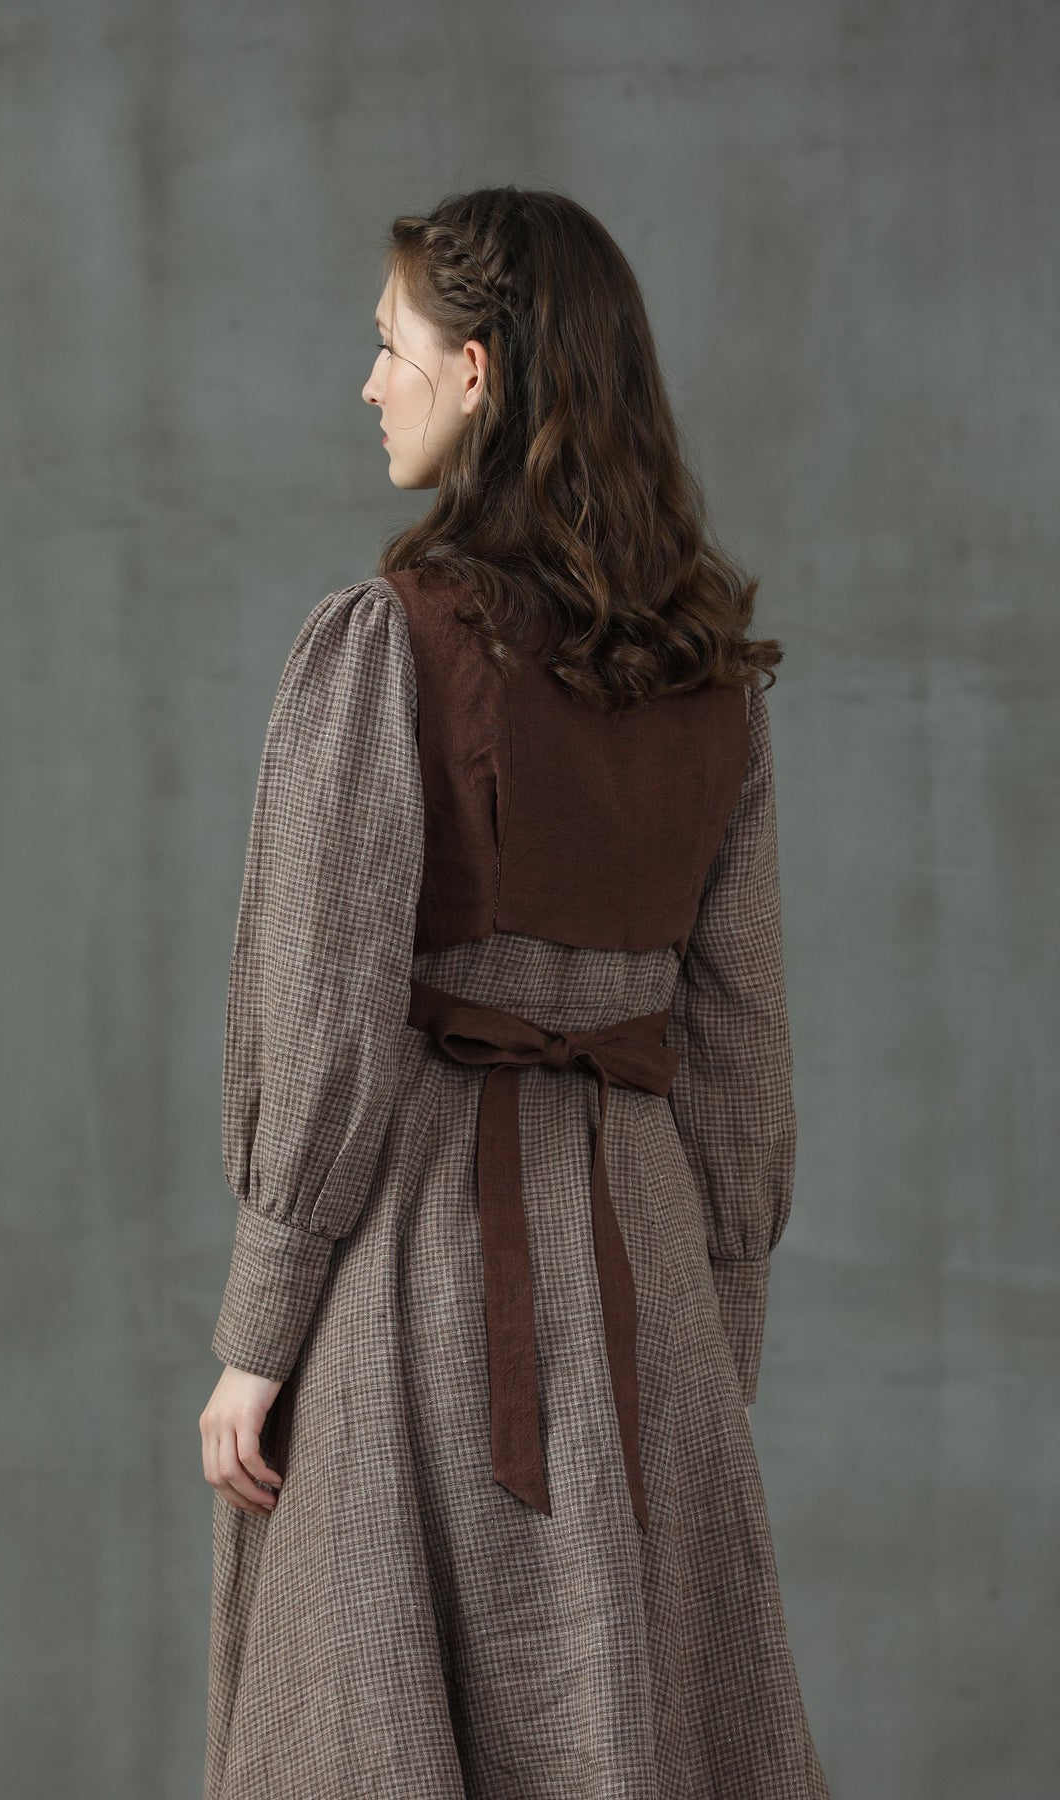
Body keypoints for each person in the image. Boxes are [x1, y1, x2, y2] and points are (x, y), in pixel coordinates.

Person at [199, 185, 831, 1799]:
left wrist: (260, 1330)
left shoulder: (385, 645)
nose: (370, 383)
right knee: (623, 1727)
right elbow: (742, 1050)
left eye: (389, 344)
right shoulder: (709, 682)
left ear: (474, 370)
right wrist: (712, 1336)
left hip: (424, 1272)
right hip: (644, 1284)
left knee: (373, 1724)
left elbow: (330, 1020)